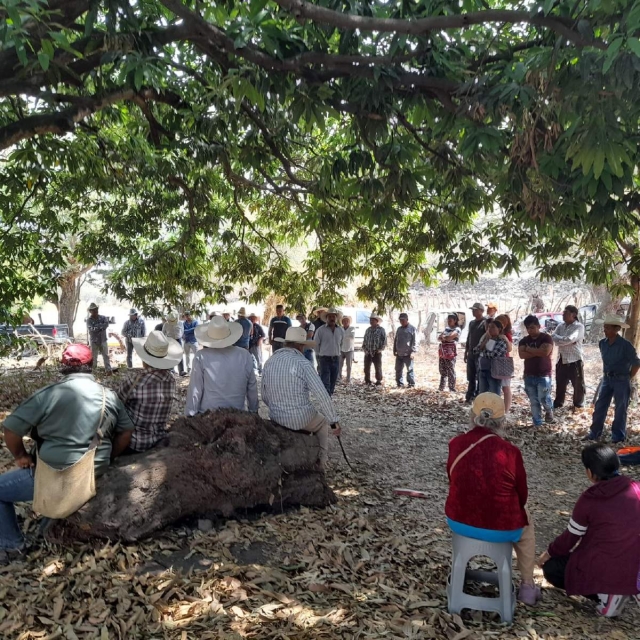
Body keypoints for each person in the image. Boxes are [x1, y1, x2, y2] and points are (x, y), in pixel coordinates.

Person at [0, 344, 134, 560]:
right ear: (91, 365)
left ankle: (12, 544)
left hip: (54, 473)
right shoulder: (107, 395)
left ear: (63, 367)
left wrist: (20, 456)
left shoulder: (49, 394)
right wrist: (109, 457)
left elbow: (11, 429)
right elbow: (126, 431)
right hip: (93, 471)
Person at [445, 393, 541, 605]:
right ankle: (527, 586)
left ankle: (462, 573)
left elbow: (452, 478)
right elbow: (522, 495)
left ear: (472, 416)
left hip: (459, 520)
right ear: (501, 420)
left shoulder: (456, 443)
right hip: (503, 526)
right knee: (527, 525)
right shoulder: (510, 452)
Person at [538, 444, 640, 617]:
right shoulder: (636, 488)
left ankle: (607, 594)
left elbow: (570, 538)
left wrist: (548, 553)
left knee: (552, 568)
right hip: (633, 562)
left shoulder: (590, 499)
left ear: (590, 473)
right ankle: (627, 586)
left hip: (603, 563)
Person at [261, 326, 341, 468]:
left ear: (286, 343)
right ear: (300, 346)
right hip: (300, 419)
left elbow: (265, 396)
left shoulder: (269, 362)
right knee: (322, 423)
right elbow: (322, 395)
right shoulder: (303, 363)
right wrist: (334, 422)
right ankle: (322, 462)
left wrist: (278, 407)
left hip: (276, 417)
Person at [117, 331, 182, 452]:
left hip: (134, 442)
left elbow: (117, 403)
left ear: (144, 359)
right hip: (159, 439)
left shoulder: (136, 381)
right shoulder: (171, 380)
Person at [583, 315, 640, 444]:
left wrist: (628, 377)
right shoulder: (602, 343)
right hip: (607, 379)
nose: (605, 330)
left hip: (622, 380)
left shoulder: (625, 345)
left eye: (607, 328)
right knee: (600, 406)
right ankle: (594, 432)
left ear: (616, 329)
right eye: (604, 327)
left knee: (620, 408)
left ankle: (618, 436)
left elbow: (636, 363)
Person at [186, 316, 258, 415]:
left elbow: (195, 390)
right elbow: (252, 387)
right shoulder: (244, 355)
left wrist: (190, 414)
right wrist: (254, 410)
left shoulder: (201, 356)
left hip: (208, 416)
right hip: (238, 414)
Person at [518, 315, 555, 427]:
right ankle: (537, 423)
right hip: (529, 374)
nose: (530, 330)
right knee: (534, 401)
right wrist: (537, 351)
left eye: (533, 327)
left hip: (543, 374)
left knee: (544, 398)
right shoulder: (523, 340)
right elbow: (521, 354)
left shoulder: (546, 338)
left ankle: (549, 411)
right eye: (528, 328)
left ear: (539, 326)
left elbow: (545, 352)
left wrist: (529, 349)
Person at [552, 305, 586, 410]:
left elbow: (570, 339)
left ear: (574, 314)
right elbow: (554, 337)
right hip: (561, 359)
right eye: (563, 313)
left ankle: (578, 405)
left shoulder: (579, 327)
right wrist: (566, 341)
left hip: (575, 360)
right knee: (560, 383)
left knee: (578, 384)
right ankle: (558, 404)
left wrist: (563, 340)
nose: (563, 315)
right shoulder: (560, 326)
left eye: (566, 313)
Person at [315, 308, 345, 396]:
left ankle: (329, 397)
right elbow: (316, 344)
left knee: (333, 380)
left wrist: (338, 353)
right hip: (324, 358)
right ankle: (326, 399)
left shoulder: (340, 330)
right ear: (326, 318)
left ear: (336, 318)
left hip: (336, 358)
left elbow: (341, 343)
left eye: (333, 317)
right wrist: (319, 355)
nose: (332, 318)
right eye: (330, 317)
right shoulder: (320, 330)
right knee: (325, 381)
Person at [474, 319, 508, 396]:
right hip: (483, 370)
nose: (490, 329)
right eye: (489, 327)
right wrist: (485, 342)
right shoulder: (486, 339)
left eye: (493, 327)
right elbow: (475, 351)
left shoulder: (501, 341)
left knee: (494, 396)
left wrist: (482, 352)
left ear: (499, 329)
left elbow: (494, 355)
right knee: (483, 395)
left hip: (494, 372)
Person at [464, 303, 486, 403]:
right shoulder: (472, 323)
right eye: (472, 310)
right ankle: (470, 394)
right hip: (471, 353)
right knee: (471, 375)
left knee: (480, 375)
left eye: (475, 310)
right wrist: (466, 351)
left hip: (480, 354)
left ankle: (478, 395)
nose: (473, 312)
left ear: (481, 311)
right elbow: (469, 337)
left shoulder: (485, 323)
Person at [86, 302, 113, 375]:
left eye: (96, 309)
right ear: (90, 311)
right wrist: (100, 327)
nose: (95, 311)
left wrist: (97, 327)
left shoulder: (103, 317)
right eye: (93, 310)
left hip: (103, 340)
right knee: (94, 358)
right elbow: (91, 329)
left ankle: (108, 370)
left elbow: (106, 324)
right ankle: (93, 372)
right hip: (94, 341)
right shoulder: (89, 320)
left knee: (106, 356)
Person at [496, 313, 514, 414]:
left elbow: (510, 348)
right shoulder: (492, 333)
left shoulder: (507, 335)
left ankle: (506, 411)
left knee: (506, 388)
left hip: (504, 363)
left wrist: (505, 339)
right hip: (493, 363)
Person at [437, 314, 461, 392]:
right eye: (448, 320)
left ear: (455, 321)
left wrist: (444, 338)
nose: (448, 322)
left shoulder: (457, 329)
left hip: (451, 352)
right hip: (443, 352)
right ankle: (441, 387)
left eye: (450, 320)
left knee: (450, 370)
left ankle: (452, 388)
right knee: (442, 370)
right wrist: (444, 338)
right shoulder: (447, 328)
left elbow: (449, 337)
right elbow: (439, 337)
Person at [394, 312, 417, 388]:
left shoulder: (412, 329)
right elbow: (396, 340)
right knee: (398, 369)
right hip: (399, 353)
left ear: (407, 320)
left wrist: (413, 351)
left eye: (403, 320)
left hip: (408, 353)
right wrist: (394, 349)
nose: (402, 322)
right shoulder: (399, 329)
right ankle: (399, 384)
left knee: (409, 369)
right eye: (400, 320)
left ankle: (411, 384)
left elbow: (415, 341)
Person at [363, 315, 387, 386]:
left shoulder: (381, 330)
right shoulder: (368, 330)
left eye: (373, 320)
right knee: (366, 368)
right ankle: (367, 380)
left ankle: (378, 380)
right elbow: (364, 340)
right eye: (370, 320)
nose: (371, 321)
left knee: (378, 367)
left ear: (377, 321)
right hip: (368, 352)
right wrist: (365, 349)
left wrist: (380, 349)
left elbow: (384, 341)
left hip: (377, 352)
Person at [162, 311, 186, 376]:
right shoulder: (166, 324)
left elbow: (182, 331)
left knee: (180, 356)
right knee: (170, 356)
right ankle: (171, 370)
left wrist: (180, 337)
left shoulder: (180, 323)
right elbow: (163, 333)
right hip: (170, 341)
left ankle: (181, 371)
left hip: (178, 340)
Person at [339, 315, 356, 383]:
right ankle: (339, 377)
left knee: (349, 365)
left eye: (347, 321)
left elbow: (352, 336)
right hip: (341, 348)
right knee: (340, 364)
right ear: (342, 322)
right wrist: (346, 336)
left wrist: (343, 336)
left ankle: (348, 378)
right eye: (344, 321)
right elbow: (338, 337)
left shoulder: (352, 328)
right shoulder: (340, 328)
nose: (345, 322)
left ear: (349, 322)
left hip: (349, 349)